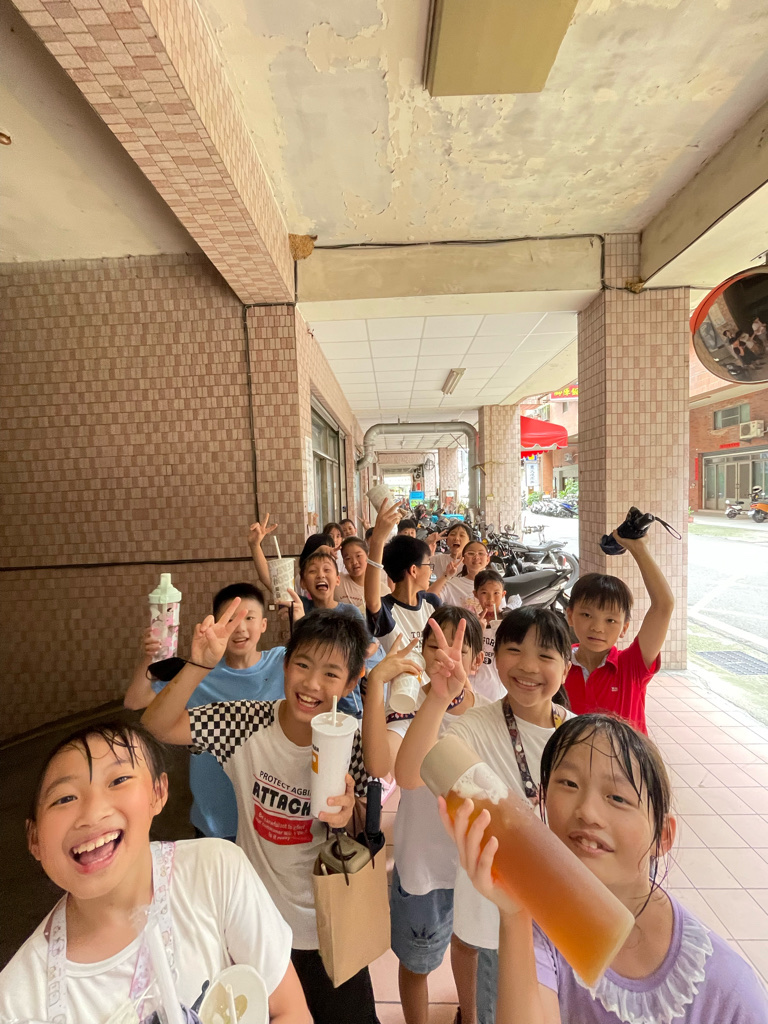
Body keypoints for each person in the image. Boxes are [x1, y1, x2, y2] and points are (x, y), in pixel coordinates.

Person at [142, 604, 397, 1024]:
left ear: (351, 682)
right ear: (285, 663)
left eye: (331, 674)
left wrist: (349, 813)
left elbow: (372, 798)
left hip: (331, 927)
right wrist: (198, 665)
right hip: (260, 929)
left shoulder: (346, 738)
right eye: (303, 665)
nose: (311, 684)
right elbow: (158, 725)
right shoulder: (244, 722)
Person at [443, 714, 768, 1023]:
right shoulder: (542, 932)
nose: (587, 811)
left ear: (663, 836)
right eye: (569, 783)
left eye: (617, 798)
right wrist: (514, 914)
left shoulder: (728, 987)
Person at [0, 721, 308, 1023]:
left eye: (118, 780)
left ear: (158, 793)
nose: (92, 814)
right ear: (34, 839)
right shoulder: (17, 1003)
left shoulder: (215, 872)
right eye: (65, 798)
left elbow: (289, 1010)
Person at [398, 606, 574, 1024]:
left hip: (559, 911)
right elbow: (408, 774)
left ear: (566, 668)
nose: (528, 666)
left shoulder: (578, 733)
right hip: (495, 915)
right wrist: (439, 698)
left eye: (545, 655)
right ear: (495, 658)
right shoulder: (476, 726)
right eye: (514, 650)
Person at [125, 582, 285, 841]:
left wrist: (300, 623)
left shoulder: (282, 662)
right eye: (230, 620)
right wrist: (150, 657)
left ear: (264, 624)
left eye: (249, 618)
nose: (240, 628)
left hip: (272, 812)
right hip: (215, 814)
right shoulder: (199, 671)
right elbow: (135, 701)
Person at [389, 609, 488, 1024]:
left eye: (458, 649)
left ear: (477, 660)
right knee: (417, 964)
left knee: (471, 951)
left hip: (473, 870)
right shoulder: (407, 704)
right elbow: (407, 776)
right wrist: (439, 698)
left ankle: (469, 1016)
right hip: (422, 870)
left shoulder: (490, 716)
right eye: (435, 646)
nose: (445, 656)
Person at [564, 529, 675, 734]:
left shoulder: (632, 667)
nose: (597, 627)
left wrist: (639, 548)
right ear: (570, 616)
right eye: (587, 615)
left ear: (624, 627)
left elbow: (664, 605)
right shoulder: (557, 666)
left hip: (626, 757)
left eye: (610, 620)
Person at [365, 498, 441, 653]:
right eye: (428, 565)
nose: (431, 571)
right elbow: (371, 599)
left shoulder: (432, 602)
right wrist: (378, 540)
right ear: (413, 570)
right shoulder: (387, 610)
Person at [466, 569, 521, 702]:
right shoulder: (469, 621)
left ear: (503, 594)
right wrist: (476, 631)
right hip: (471, 689)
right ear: (475, 594)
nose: (490, 599)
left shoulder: (509, 622)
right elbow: (465, 655)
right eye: (484, 593)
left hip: (498, 691)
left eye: (496, 593)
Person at [430, 539, 492, 607]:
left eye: (481, 553)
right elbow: (429, 597)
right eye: (471, 553)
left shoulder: (495, 583)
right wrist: (446, 575)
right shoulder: (453, 584)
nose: (476, 557)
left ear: (487, 559)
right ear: (463, 559)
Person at [336, 535, 390, 612]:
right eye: (348, 558)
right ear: (343, 562)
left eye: (358, 556)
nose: (354, 562)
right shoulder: (337, 582)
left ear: (368, 556)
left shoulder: (383, 591)